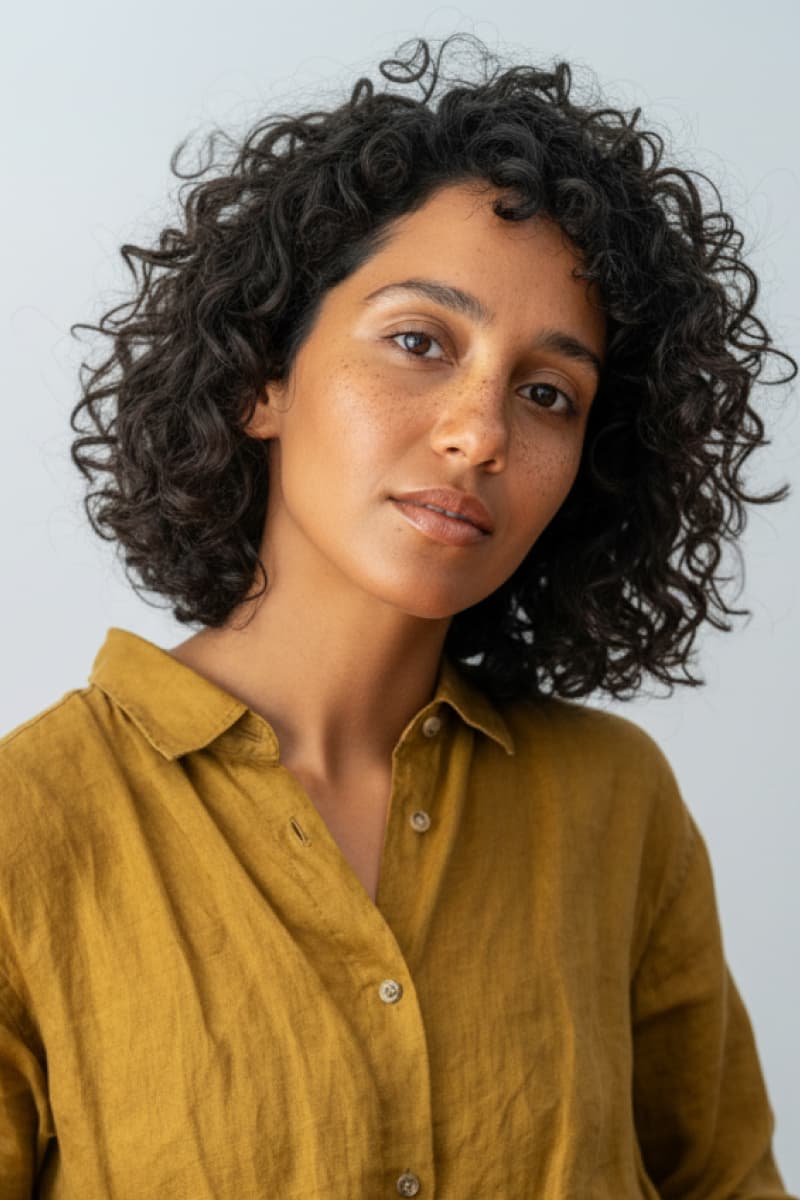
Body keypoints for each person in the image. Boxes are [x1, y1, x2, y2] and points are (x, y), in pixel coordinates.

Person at [0, 32, 796, 1199]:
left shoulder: (614, 807)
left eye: (546, 393)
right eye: (418, 342)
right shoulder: (29, 828)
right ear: (261, 377)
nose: (479, 432)